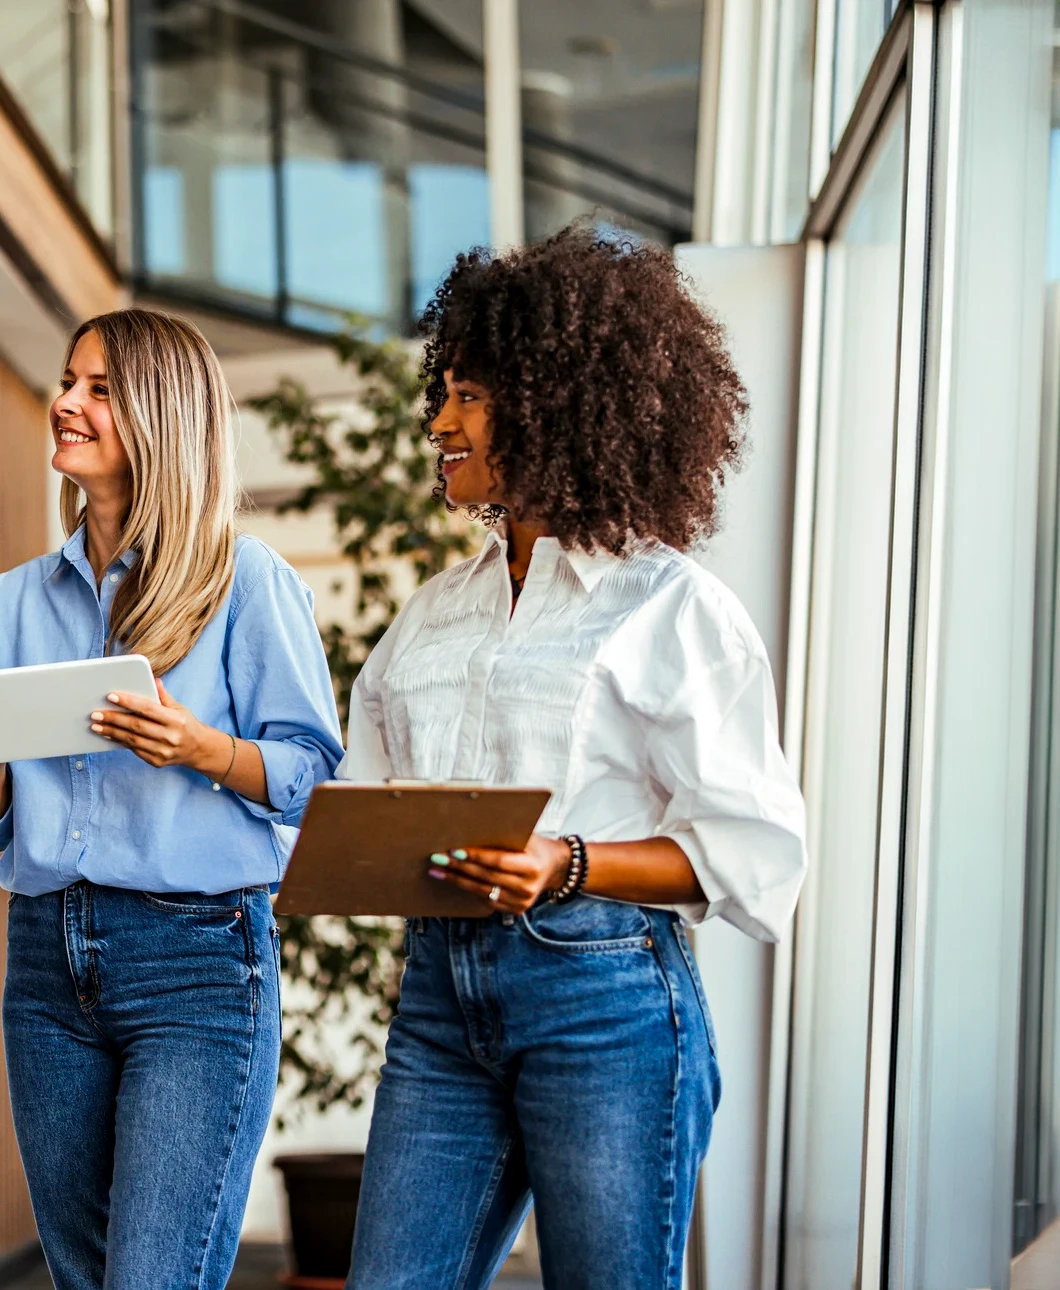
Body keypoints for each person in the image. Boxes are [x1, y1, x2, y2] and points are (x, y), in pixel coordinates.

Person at [341, 228, 809, 1288]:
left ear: (550, 403)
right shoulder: (429, 618)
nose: (439, 421)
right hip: (438, 998)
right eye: (443, 393)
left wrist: (568, 864)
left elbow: (753, 855)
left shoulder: (671, 607)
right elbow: (363, 801)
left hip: (603, 999)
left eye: (467, 396)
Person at [0, 308, 345, 1290]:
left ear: (161, 415)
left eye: (98, 388)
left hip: (195, 961)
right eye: (67, 380)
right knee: (84, 1277)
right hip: (44, 956)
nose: (65, 403)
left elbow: (313, 780)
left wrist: (201, 747)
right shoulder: (15, 600)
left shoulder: (244, 584)